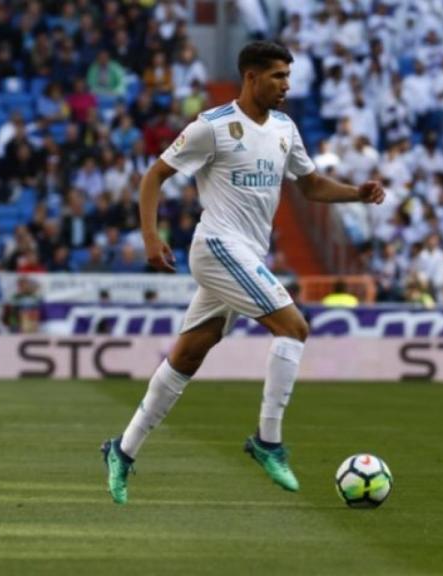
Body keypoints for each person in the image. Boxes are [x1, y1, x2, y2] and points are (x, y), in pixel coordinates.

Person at [101, 42, 385, 505]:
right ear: (251, 77)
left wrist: (357, 192)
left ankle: (122, 448)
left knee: (188, 356)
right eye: (277, 76)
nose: (286, 86)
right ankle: (267, 441)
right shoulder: (212, 128)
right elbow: (154, 176)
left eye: (288, 77)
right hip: (216, 247)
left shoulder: (284, 129)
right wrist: (151, 239)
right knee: (293, 327)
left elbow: (310, 185)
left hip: (248, 254)